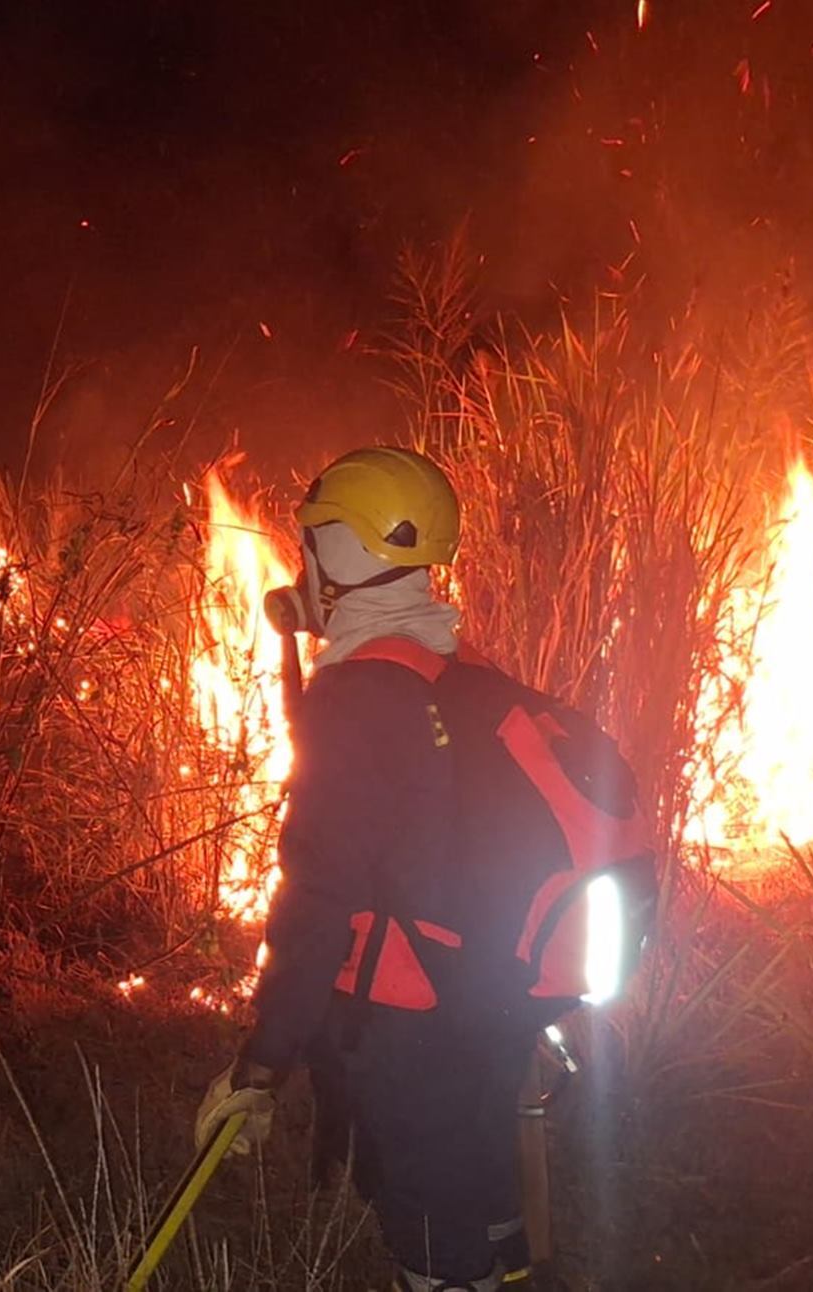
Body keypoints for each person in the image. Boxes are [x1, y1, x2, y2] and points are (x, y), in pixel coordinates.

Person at [193, 445, 539, 1292]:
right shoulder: (464, 672)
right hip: (497, 991)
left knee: (428, 1213)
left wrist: (264, 1060)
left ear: (338, 554)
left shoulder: (355, 702)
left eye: (309, 544)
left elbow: (317, 900)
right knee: (481, 1171)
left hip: (412, 1013)